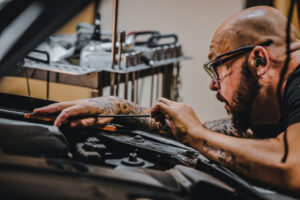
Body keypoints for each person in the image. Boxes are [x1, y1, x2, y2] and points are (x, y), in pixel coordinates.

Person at [34, 6, 300, 194]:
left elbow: (293, 168)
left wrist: (196, 134)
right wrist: (116, 107)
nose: (213, 85)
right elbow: (225, 138)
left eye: (218, 67)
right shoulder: (274, 109)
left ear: (259, 60)